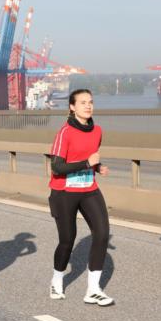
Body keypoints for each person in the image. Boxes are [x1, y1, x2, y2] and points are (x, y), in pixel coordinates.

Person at [47, 89, 114, 307]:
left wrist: (97, 167)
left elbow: (90, 158)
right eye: (82, 102)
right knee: (67, 240)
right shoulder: (65, 132)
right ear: (72, 107)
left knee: (102, 234)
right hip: (64, 192)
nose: (88, 106)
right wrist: (87, 163)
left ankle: (93, 290)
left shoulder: (97, 131)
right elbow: (57, 167)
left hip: (88, 189)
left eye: (90, 102)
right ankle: (57, 279)